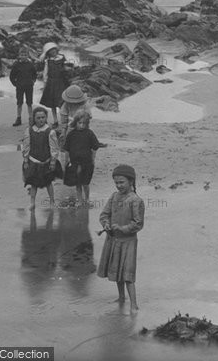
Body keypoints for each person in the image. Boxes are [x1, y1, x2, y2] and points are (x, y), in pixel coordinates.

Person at [97, 164, 145, 313]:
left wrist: (122, 228)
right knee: (117, 271)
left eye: (121, 182)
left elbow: (138, 224)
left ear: (131, 181)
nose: (118, 186)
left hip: (128, 242)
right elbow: (104, 215)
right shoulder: (113, 196)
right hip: (113, 240)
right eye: (116, 183)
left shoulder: (136, 200)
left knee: (128, 274)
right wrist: (106, 225)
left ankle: (134, 304)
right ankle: (121, 297)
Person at [22, 107, 62, 210]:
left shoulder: (50, 132)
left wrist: (53, 161)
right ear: (34, 118)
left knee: (48, 183)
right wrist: (26, 160)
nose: (41, 120)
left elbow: (54, 148)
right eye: (38, 118)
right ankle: (32, 202)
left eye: (43, 117)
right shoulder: (29, 131)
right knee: (33, 183)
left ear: (46, 118)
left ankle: (52, 201)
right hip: (33, 161)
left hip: (46, 161)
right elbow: (26, 146)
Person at [63, 110, 100, 206]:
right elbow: (67, 148)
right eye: (80, 123)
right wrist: (66, 161)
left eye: (84, 123)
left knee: (86, 182)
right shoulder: (71, 134)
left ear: (87, 124)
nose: (82, 125)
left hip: (87, 162)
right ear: (75, 122)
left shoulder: (89, 133)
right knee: (77, 182)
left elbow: (95, 146)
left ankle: (87, 198)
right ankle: (79, 200)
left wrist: (93, 158)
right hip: (75, 162)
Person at [39, 42, 68, 127]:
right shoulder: (48, 61)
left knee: (61, 102)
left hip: (61, 82)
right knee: (52, 103)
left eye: (54, 50)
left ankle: (64, 120)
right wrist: (45, 84)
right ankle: (55, 120)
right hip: (51, 83)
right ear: (48, 53)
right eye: (50, 51)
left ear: (56, 49)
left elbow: (66, 69)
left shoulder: (62, 58)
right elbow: (45, 73)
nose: (53, 52)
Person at [9, 48, 37, 126]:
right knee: (19, 103)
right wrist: (15, 84)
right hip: (19, 86)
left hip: (29, 86)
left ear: (28, 55)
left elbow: (34, 74)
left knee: (29, 103)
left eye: (25, 55)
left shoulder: (30, 64)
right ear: (19, 55)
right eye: (22, 55)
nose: (23, 56)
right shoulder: (16, 65)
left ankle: (31, 119)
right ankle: (18, 118)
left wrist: (33, 81)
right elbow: (11, 76)